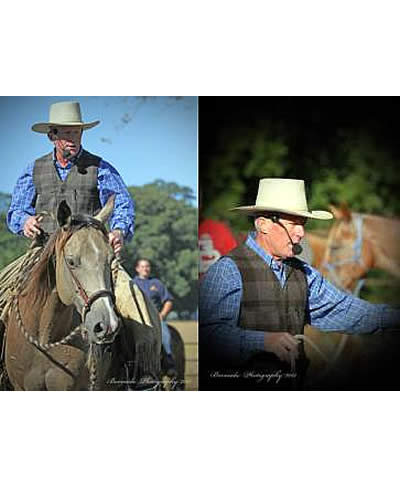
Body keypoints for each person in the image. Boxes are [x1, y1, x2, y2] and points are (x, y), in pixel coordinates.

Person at [2, 101, 161, 388]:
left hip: (92, 255)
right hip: (42, 253)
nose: (72, 140)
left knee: (135, 304)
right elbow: (15, 211)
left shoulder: (100, 168)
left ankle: (143, 376)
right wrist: (24, 222)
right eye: (66, 134)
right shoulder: (33, 170)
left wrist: (120, 231)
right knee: (3, 295)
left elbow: (122, 203)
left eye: (76, 134)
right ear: (52, 136)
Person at [199, 178, 400, 390]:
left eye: (302, 224)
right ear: (263, 224)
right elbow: (210, 337)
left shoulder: (304, 273)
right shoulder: (227, 270)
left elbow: (343, 308)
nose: (301, 233)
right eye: (293, 224)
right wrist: (262, 341)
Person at [133, 258, 176, 375]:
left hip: (156, 319)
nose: (145, 269)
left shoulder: (156, 283)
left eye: (147, 266)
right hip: (137, 320)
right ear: (137, 269)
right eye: (142, 266)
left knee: (165, 336)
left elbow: (168, 300)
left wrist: (162, 315)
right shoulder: (132, 283)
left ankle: (169, 362)